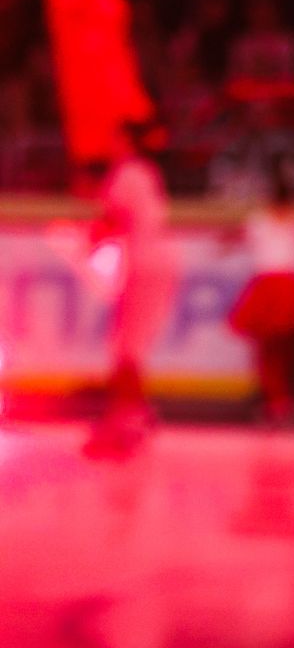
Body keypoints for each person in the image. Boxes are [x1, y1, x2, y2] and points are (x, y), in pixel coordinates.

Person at [84, 122, 176, 458]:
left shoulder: (125, 173)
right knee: (129, 344)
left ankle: (127, 421)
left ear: (125, 141)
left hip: (144, 263)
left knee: (125, 346)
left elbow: (110, 220)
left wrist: (90, 234)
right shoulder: (146, 172)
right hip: (158, 260)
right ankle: (135, 415)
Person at [228, 164, 294, 425]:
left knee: (271, 348)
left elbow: (234, 240)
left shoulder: (264, 221)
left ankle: (277, 398)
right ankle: (281, 399)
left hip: (272, 286)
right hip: (287, 286)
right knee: (285, 348)